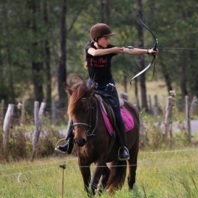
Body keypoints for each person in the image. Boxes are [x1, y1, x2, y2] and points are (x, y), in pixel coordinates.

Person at [55, 23, 158, 160]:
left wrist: (148, 51)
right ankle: (68, 142)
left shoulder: (109, 48)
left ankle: (123, 147)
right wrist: (112, 50)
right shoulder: (89, 47)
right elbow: (94, 53)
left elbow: (128, 50)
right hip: (91, 86)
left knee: (116, 114)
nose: (108, 41)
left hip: (108, 87)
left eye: (108, 38)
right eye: (106, 38)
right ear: (97, 38)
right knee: (77, 110)